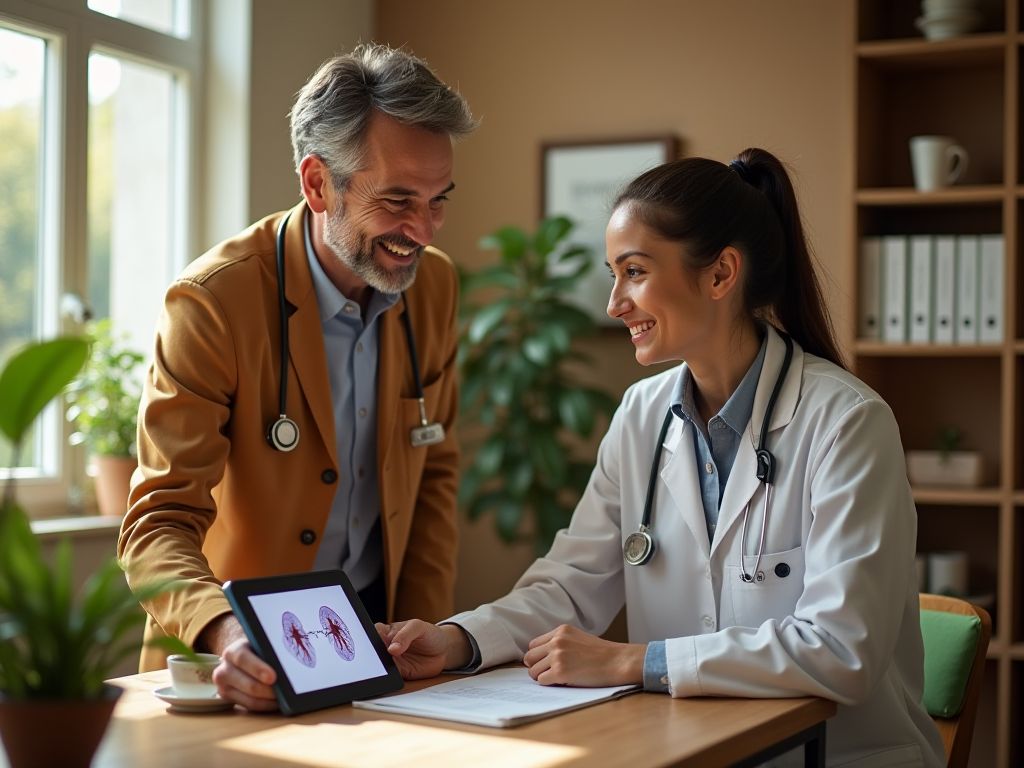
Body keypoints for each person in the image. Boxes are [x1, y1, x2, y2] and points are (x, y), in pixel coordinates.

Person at [379, 149, 946, 766]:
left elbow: (842, 649)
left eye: (635, 271)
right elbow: (570, 585)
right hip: (692, 747)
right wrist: (457, 639)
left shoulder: (846, 423)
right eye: (613, 273)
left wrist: (633, 659)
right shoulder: (641, 415)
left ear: (721, 274)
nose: (614, 302)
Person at [119, 43, 476, 710]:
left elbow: (434, 478)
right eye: (398, 200)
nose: (423, 230)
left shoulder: (434, 290)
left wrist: (427, 654)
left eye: (437, 201)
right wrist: (227, 633)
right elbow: (156, 523)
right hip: (235, 659)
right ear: (317, 184)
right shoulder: (212, 302)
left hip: (376, 645)